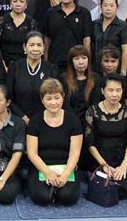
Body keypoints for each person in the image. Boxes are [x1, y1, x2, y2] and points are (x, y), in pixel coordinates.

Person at [85, 74, 127, 202]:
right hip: (99, 158)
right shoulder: (93, 111)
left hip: (120, 158)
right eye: (110, 90)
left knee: (122, 184)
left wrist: (124, 164)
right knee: (105, 184)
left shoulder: (126, 111)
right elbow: (89, 143)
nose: (115, 94)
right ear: (103, 91)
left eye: (118, 90)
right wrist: (104, 165)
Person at [27, 78, 83, 206]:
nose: (53, 103)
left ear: (63, 97)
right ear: (42, 100)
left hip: (66, 166)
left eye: (57, 98)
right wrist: (48, 173)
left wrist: (66, 174)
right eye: (49, 98)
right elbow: (32, 153)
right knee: (41, 198)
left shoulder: (73, 121)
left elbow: (75, 152)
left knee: (68, 198)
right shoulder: (35, 121)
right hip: (41, 167)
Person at [7, 31, 58, 124]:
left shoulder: (51, 69)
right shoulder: (15, 67)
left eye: (39, 45)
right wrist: (24, 118)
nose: (35, 49)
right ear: (24, 47)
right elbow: (9, 98)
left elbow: (55, 98)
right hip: (18, 121)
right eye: (31, 45)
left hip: (45, 120)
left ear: (44, 47)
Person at [43, 0, 92, 72]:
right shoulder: (50, 13)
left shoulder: (84, 13)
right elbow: (47, 39)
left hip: (77, 64)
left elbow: (87, 40)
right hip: (55, 63)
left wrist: (87, 63)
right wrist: (46, 61)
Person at [0, 0, 39, 68]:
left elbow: (34, 47)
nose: (18, 4)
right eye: (15, 1)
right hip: (3, 65)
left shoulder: (31, 23)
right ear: (10, 3)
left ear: (26, 4)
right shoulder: (2, 21)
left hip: (25, 66)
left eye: (21, 1)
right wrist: (3, 66)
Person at [91, 0, 127, 75]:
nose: (108, 8)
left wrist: (123, 72)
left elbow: (126, 51)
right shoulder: (94, 24)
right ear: (101, 7)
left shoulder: (123, 26)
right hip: (95, 70)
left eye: (111, 5)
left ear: (117, 7)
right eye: (105, 5)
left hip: (114, 70)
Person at [61, 45, 101, 128]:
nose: (81, 62)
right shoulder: (63, 78)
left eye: (84, 58)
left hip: (90, 121)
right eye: (76, 59)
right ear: (71, 61)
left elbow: (95, 102)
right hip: (69, 121)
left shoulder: (96, 78)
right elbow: (65, 104)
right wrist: (74, 120)